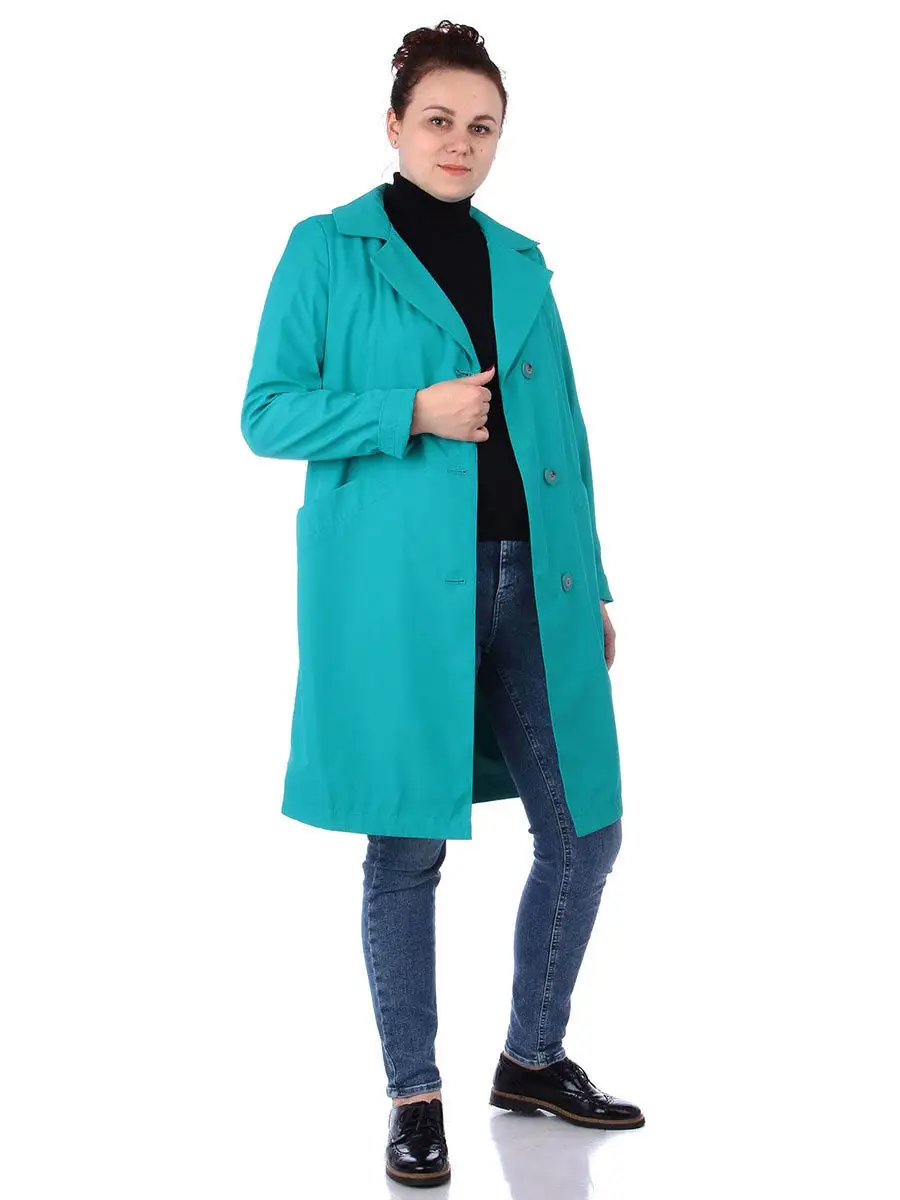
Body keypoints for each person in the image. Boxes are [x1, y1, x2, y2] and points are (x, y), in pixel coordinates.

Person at [242, 19, 644, 1190]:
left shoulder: (520, 260)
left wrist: (593, 582)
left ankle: (532, 1059)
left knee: (587, 827)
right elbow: (267, 411)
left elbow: (565, 434)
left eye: (482, 126)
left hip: (537, 579)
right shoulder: (327, 249)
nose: (459, 142)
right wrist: (407, 412)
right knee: (407, 840)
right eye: (438, 120)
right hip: (397, 595)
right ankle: (414, 1096)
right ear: (393, 125)